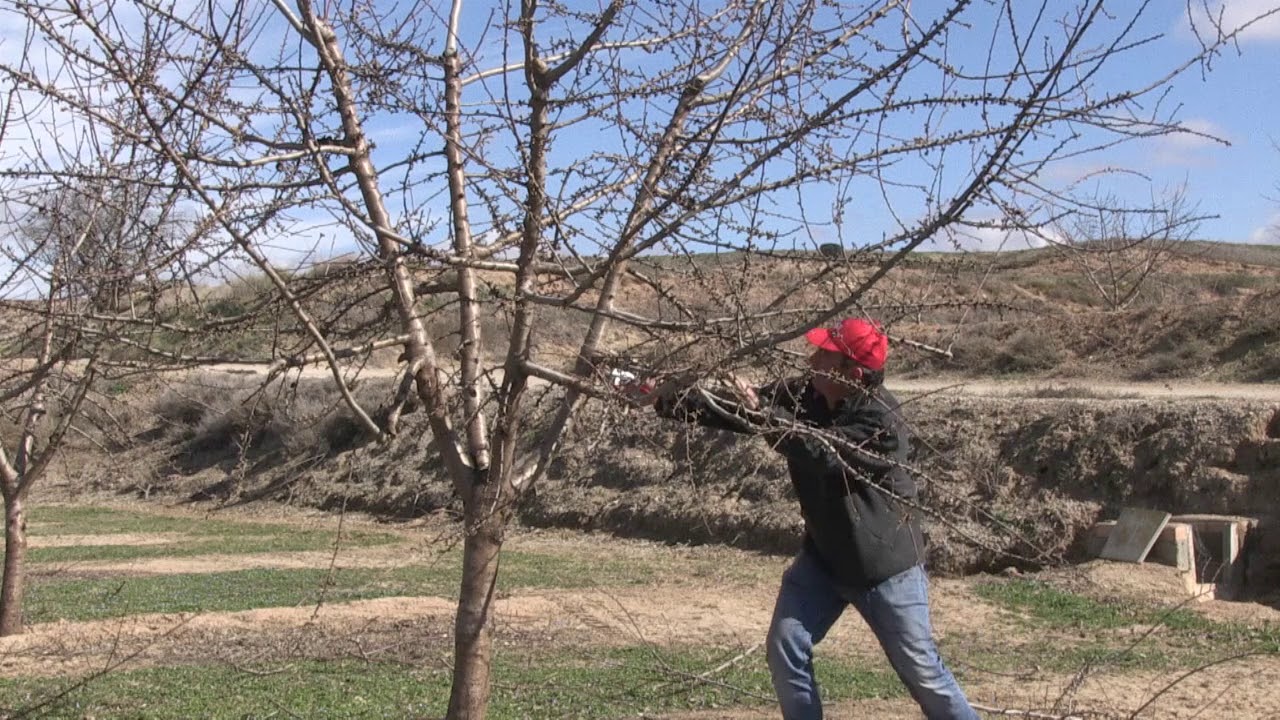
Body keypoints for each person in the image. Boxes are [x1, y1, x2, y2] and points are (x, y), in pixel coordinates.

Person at [646, 317, 978, 720]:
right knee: (785, 648)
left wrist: (765, 414)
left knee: (924, 675)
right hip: (823, 561)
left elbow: (822, 453)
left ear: (853, 374)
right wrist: (664, 398)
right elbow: (738, 411)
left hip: (885, 572)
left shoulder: (882, 423)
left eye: (825, 354)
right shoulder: (807, 393)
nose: (812, 359)